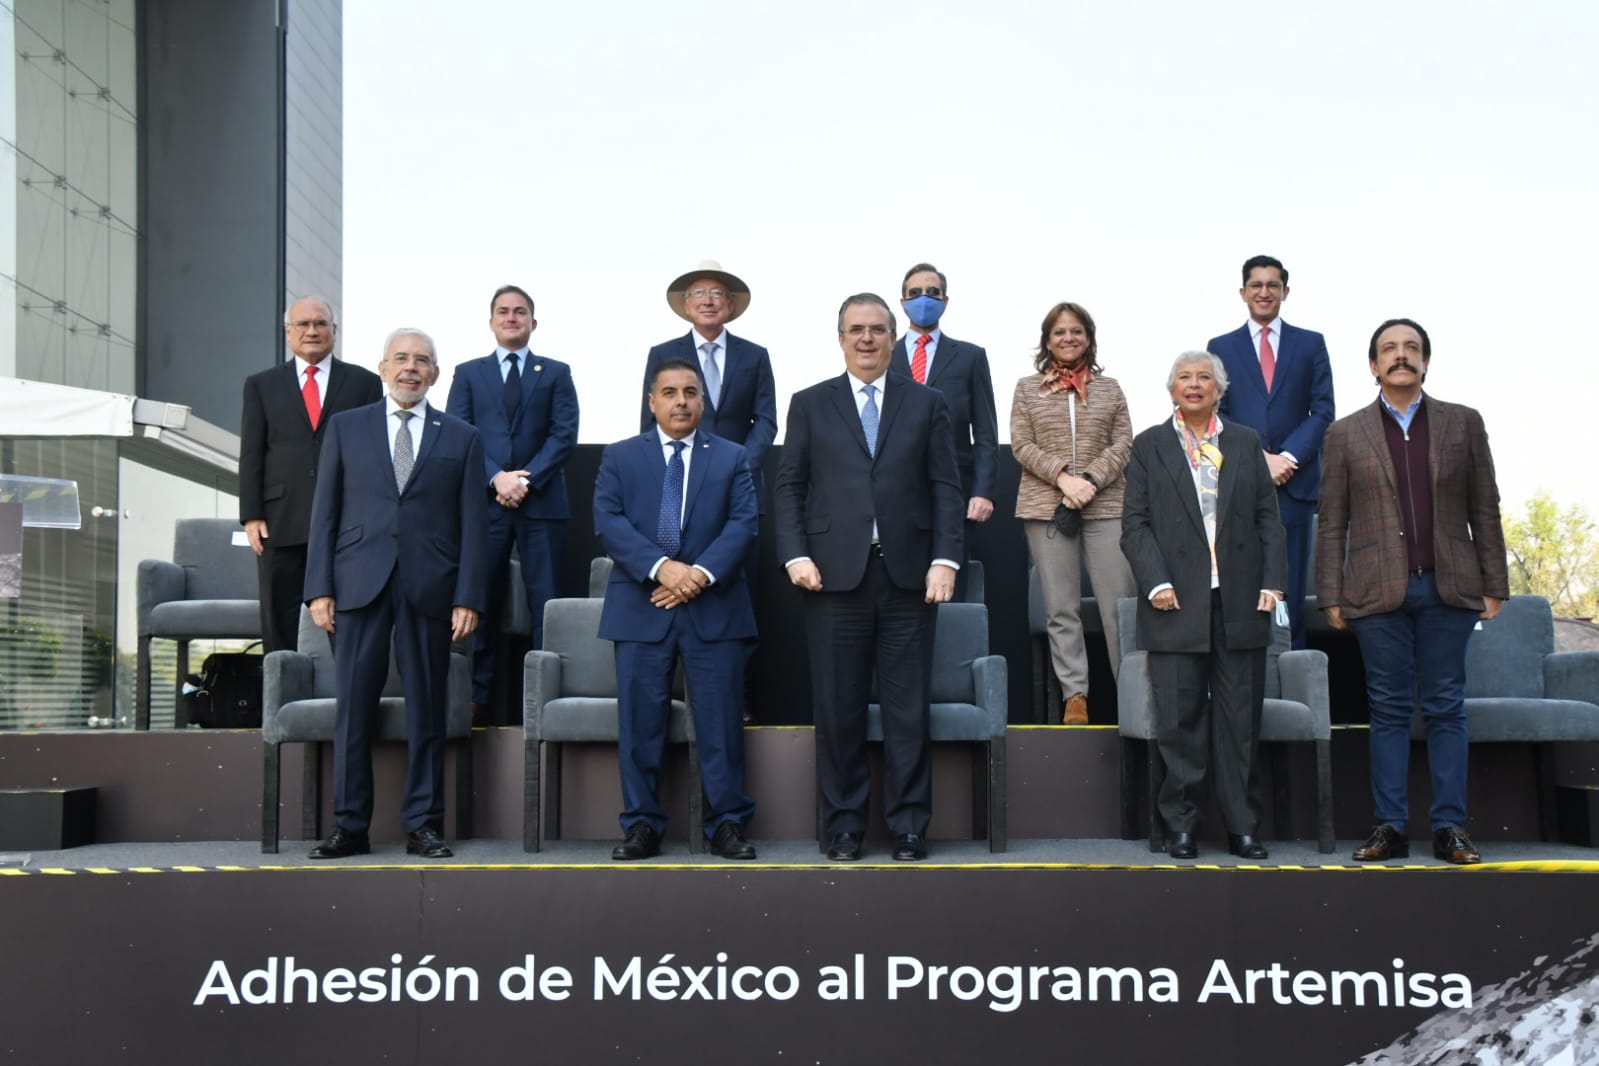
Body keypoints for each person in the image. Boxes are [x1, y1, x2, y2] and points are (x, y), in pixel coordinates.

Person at [774, 293, 964, 862]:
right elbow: (788, 486)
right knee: (838, 710)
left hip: (910, 579)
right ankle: (844, 828)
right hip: (830, 579)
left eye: (877, 330)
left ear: (892, 337)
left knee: (908, 712)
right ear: (840, 338)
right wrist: (794, 554)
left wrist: (946, 559)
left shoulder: (927, 403)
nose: (867, 339)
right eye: (856, 330)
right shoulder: (810, 403)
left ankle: (909, 827)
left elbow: (946, 488)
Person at [1316, 318, 1507, 865]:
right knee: (1389, 709)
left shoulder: (1463, 424)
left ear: (1426, 360)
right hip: (1376, 594)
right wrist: (1331, 591)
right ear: (1373, 365)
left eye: (1412, 348)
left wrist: (1495, 584)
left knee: (1447, 707)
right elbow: (1332, 521)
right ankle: (1390, 828)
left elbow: (1484, 508)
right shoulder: (1345, 433)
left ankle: (1451, 828)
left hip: (1450, 587)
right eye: (1389, 349)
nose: (1401, 356)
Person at [303, 328, 487, 859]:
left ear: (435, 373)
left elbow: (474, 525)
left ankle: (424, 825)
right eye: (401, 359)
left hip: (431, 587)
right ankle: (350, 826)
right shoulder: (346, 427)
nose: (411, 368)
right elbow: (326, 514)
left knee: (427, 708)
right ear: (383, 369)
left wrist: (468, 595)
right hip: (357, 583)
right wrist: (319, 588)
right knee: (353, 708)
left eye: (422, 361)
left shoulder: (462, 437)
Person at [1120, 351, 1287, 861]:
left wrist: (1274, 582)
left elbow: (1267, 519)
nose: (1195, 385)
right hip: (1173, 601)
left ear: (1220, 389)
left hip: (1240, 601)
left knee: (1240, 721)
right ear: (1172, 390)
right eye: (1185, 378)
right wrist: (1155, 582)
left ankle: (1243, 827)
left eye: (1205, 378)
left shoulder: (1244, 441)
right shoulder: (1149, 445)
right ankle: (1181, 826)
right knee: (1178, 721)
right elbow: (1135, 525)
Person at [597, 359, 760, 860]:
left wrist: (697, 576)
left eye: (691, 391)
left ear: (703, 401)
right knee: (640, 725)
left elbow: (744, 523)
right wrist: (663, 568)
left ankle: (727, 824)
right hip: (642, 605)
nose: (681, 401)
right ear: (652, 402)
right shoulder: (620, 456)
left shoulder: (732, 457)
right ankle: (642, 826)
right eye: (669, 392)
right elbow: (607, 520)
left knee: (721, 725)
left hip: (715, 608)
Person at [639, 260, 777, 721]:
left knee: (739, 597)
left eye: (717, 293)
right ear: (685, 305)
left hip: (739, 492)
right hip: (677, 496)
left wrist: (733, 468)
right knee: (678, 589)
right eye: (699, 293)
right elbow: (649, 427)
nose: (708, 300)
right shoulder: (663, 352)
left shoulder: (755, 355)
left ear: (731, 305)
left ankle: (737, 700)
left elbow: (767, 422)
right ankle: (679, 698)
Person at [445, 285, 578, 722]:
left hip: (540, 503)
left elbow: (564, 435)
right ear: (491, 322)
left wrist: (525, 479)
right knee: (479, 599)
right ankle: (476, 697)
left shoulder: (556, 372)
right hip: (486, 503)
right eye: (503, 311)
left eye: (520, 312)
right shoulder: (468, 373)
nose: (511, 317)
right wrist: (495, 477)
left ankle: (544, 698)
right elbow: (458, 432)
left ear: (533, 323)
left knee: (548, 604)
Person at [1010, 302, 1137, 724]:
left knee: (1119, 604)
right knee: (1060, 607)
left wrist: (1091, 482)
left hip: (1106, 506)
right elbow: (1022, 445)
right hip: (1047, 507)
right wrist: (1064, 479)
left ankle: (1135, 693)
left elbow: (1122, 443)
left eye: (1077, 331)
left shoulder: (1111, 388)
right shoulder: (1028, 388)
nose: (1069, 338)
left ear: (1089, 337)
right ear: (1047, 340)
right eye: (1060, 332)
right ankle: (1075, 696)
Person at [239, 296, 382, 652]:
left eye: (320, 324)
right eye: (303, 324)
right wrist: (251, 514)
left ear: (334, 331)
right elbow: (252, 453)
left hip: (346, 524)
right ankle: (282, 704)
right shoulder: (261, 385)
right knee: (280, 624)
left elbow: (373, 454)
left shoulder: (363, 383)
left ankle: (344, 701)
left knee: (347, 624)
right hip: (280, 522)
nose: (312, 331)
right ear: (288, 332)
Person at [1208, 255, 1334, 650]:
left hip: (1294, 487)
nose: (1264, 292)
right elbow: (1216, 413)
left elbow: (1323, 409)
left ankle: (1290, 680)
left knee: (1290, 589)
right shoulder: (1220, 347)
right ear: (1243, 293)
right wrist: (1259, 459)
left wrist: (1288, 458)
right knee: (1242, 583)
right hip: (1241, 484)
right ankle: (1245, 679)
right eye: (1256, 285)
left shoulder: (1310, 344)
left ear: (1285, 292)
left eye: (1273, 285)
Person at [890, 263, 999, 585]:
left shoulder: (970, 356)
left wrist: (983, 491)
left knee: (951, 584)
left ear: (946, 300)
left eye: (933, 293)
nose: (924, 299)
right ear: (902, 301)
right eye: (915, 293)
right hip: (896, 488)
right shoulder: (884, 355)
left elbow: (985, 432)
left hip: (955, 490)